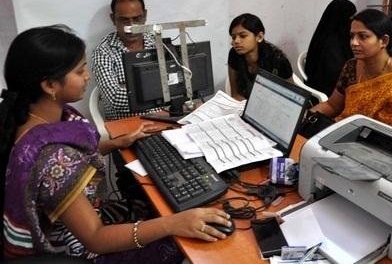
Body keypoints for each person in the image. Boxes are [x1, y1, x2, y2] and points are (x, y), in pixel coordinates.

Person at [0, 25, 232, 263]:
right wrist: (173, 224)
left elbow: (72, 157)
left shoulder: (28, 120)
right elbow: (95, 238)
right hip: (79, 249)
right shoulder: (51, 156)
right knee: (183, 242)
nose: (87, 76)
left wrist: (119, 142)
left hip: (81, 220)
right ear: (49, 85)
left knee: (153, 205)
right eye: (80, 72)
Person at [310, 9, 392, 133]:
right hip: (342, 131)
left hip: (376, 145)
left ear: (384, 41)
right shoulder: (351, 66)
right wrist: (305, 116)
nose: (353, 43)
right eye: (352, 36)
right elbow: (332, 106)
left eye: (363, 36)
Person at [91, 0, 160, 121]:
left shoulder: (157, 42)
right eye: (124, 20)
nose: (131, 26)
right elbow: (115, 99)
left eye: (137, 19)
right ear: (113, 19)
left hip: (166, 119)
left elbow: (176, 83)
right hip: (128, 127)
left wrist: (131, 88)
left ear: (145, 16)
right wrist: (160, 89)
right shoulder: (103, 52)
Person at [228, 13, 293, 100]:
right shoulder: (234, 54)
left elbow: (291, 98)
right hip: (245, 106)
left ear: (259, 37)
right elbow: (236, 94)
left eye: (243, 36)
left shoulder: (278, 61)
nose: (236, 41)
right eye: (233, 37)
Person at [304, 0, 357, 97]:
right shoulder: (331, 47)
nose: (354, 22)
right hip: (328, 93)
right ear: (342, 18)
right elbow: (337, 80)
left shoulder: (326, 33)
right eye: (351, 18)